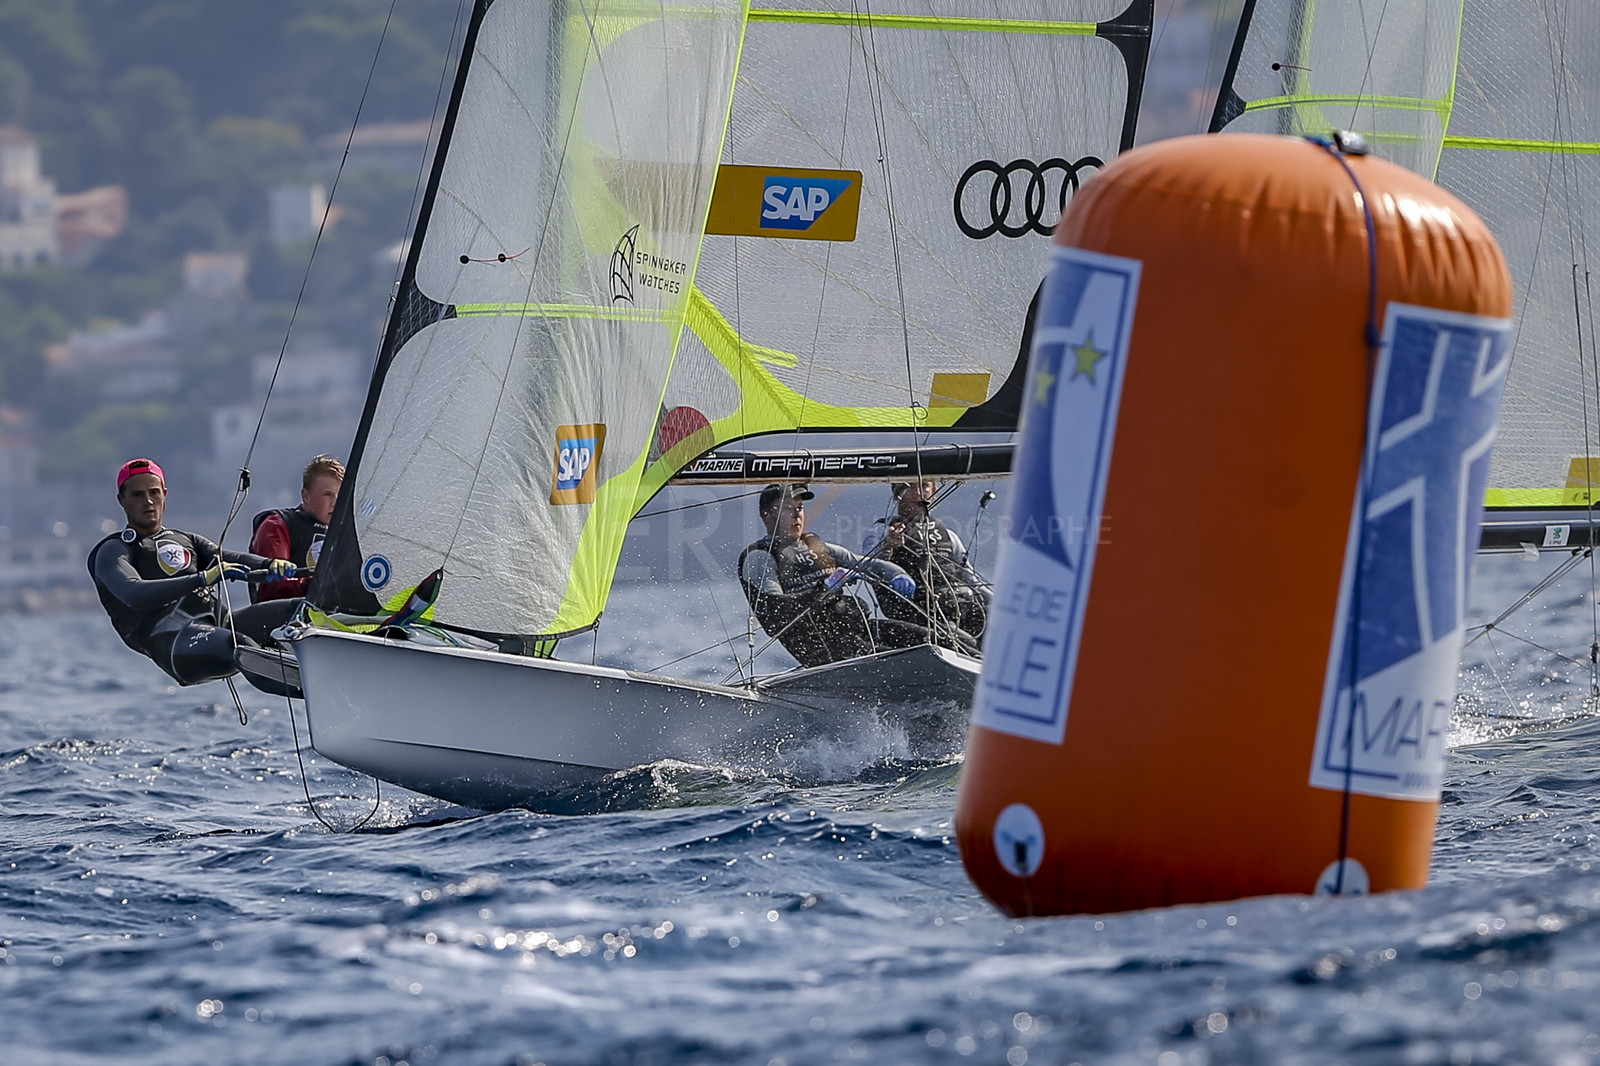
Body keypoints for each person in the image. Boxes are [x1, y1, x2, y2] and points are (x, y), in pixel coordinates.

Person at [87, 458, 299, 689]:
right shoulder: (113, 551)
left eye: (154, 492)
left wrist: (271, 564)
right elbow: (133, 594)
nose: (148, 501)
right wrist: (202, 578)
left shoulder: (187, 540)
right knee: (241, 645)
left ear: (164, 494)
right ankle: (307, 687)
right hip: (174, 643)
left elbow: (234, 559)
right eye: (137, 495)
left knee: (300, 610)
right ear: (122, 500)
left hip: (220, 625)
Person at [737, 483, 967, 667]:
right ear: (766, 514)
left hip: (856, 628)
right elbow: (776, 611)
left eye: (800, 508)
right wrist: (824, 589)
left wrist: (896, 574)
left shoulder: (814, 545)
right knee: (911, 662)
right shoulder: (760, 556)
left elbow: (867, 564)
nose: (797, 514)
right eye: (788, 508)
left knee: (940, 641)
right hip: (821, 643)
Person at [863, 480, 989, 640]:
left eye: (924, 486)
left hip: (954, 606)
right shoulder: (881, 530)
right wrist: (888, 547)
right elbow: (869, 569)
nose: (918, 493)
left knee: (994, 618)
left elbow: (971, 578)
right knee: (965, 640)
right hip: (915, 612)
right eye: (910, 486)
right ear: (897, 493)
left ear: (934, 493)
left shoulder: (948, 534)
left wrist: (1001, 603)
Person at [248, 453, 344, 603]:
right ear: (306, 496)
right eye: (328, 494)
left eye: (340, 495)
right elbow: (272, 589)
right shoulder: (276, 525)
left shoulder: (347, 532)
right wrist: (318, 586)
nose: (335, 502)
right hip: (289, 614)